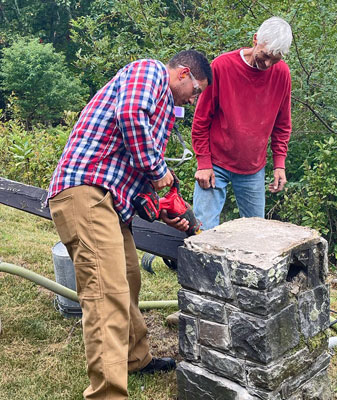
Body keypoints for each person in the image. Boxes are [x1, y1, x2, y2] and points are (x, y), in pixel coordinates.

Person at [47, 50, 212, 400]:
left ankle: (134, 358)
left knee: (129, 278)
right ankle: (107, 394)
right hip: (85, 191)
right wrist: (160, 173)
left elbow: (136, 178)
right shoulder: (149, 72)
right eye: (196, 91)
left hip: (110, 202)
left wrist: (162, 210)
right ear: (183, 74)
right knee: (107, 295)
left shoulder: (161, 110)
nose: (194, 100)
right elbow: (130, 118)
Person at [192, 16, 293, 230]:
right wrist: (203, 163)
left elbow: (282, 125)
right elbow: (201, 119)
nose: (267, 64)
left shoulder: (282, 74)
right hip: (215, 163)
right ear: (256, 39)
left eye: (274, 60)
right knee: (203, 230)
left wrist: (279, 163)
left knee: (256, 233)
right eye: (265, 56)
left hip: (253, 167)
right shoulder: (222, 66)